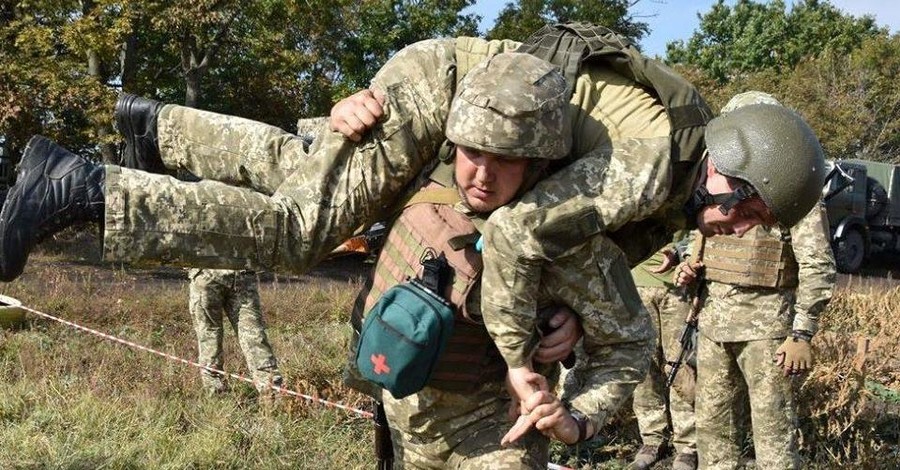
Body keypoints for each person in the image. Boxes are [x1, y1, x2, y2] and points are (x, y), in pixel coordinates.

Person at [0, 24, 826, 450]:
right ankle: (85, 189)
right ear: (729, 165)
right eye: (747, 209)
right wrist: (518, 362)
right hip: (451, 93)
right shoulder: (650, 166)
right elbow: (515, 242)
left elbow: (581, 255)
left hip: (499, 118)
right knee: (304, 228)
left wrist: (569, 329)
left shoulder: (676, 176)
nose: (740, 228)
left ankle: (157, 130)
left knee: (310, 169)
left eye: (757, 221)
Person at [345, 51, 597, 467]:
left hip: (492, 434)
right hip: (401, 412)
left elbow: (625, 337)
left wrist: (576, 329)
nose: (483, 174)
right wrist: (347, 113)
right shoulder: (418, 172)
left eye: (506, 158)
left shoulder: (559, 231)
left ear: (536, 164)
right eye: (474, 152)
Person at [673, 92, 836, 469]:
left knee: (774, 438)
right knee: (712, 432)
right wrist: (688, 265)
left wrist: (802, 333)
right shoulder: (718, 185)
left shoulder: (791, 190)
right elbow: (700, 239)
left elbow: (817, 263)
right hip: (714, 323)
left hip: (767, 331)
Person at [628, 237, 697, 470]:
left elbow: (704, 227)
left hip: (680, 287)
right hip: (635, 283)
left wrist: (686, 256)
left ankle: (688, 444)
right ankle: (652, 438)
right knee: (643, 366)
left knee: (680, 366)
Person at [188, 268, 282, 395]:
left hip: (210, 274)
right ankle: (272, 392)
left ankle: (216, 393)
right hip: (237, 274)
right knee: (253, 335)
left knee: (210, 337)